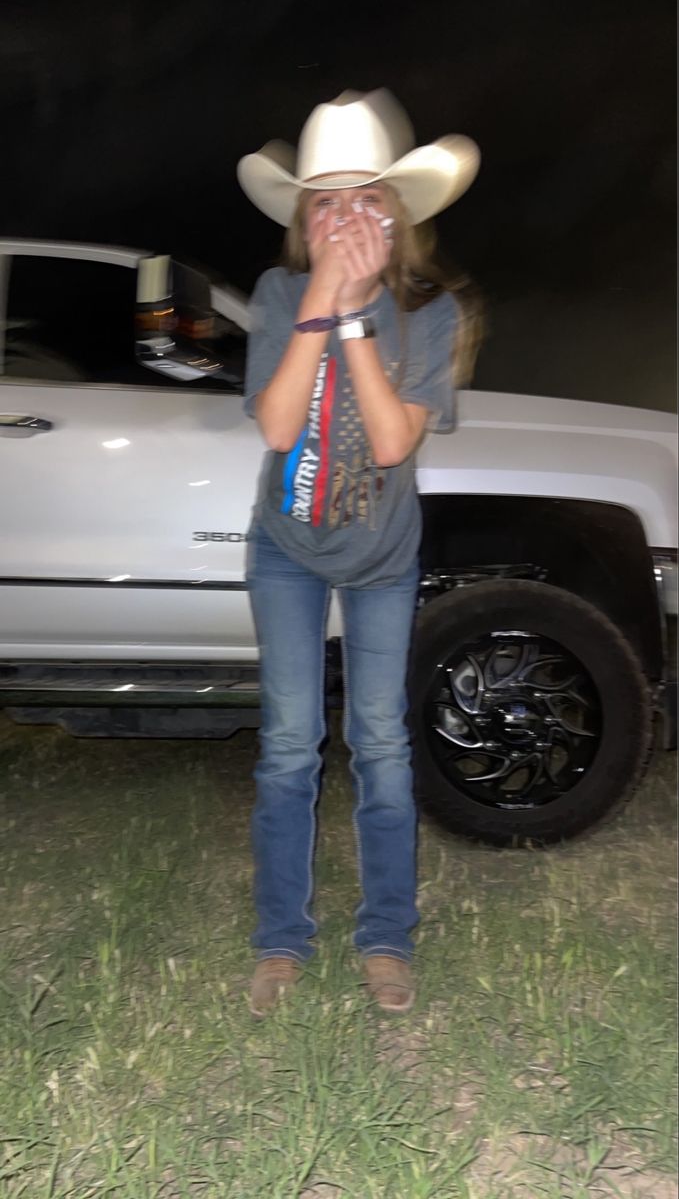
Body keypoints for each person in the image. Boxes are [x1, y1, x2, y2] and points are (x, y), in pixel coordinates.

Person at [237, 89, 481, 1017]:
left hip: (380, 557)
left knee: (380, 743)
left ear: (397, 213)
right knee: (288, 747)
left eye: (365, 197)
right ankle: (279, 941)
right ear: (305, 218)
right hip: (286, 550)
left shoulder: (431, 315)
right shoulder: (273, 294)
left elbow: (387, 443)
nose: (346, 217)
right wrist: (317, 308)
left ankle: (385, 938)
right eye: (325, 201)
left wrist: (351, 323)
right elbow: (273, 421)